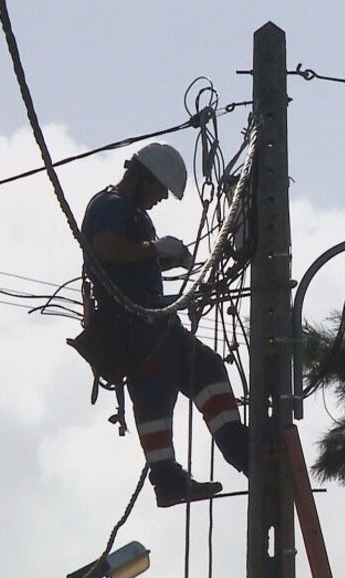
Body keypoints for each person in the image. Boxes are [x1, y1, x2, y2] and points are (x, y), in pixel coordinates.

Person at [79, 142, 249, 508]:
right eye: (159, 190)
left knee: (204, 368)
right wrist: (154, 250)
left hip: (151, 320)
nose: (159, 199)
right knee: (155, 394)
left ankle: (239, 448)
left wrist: (167, 259)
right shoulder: (110, 206)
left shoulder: (137, 215)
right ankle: (168, 480)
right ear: (141, 177)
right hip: (129, 327)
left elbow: (131, 260)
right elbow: (106, 247)